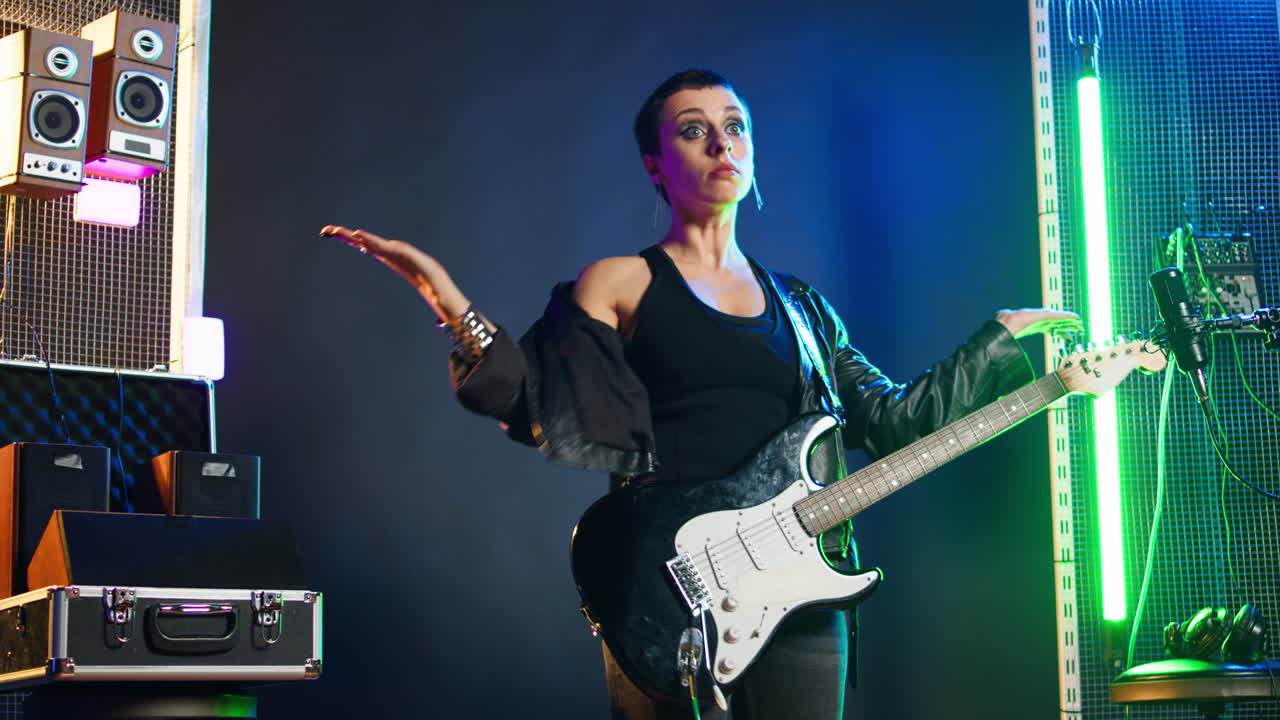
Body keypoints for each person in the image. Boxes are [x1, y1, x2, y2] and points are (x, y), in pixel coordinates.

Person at [321, 68, 1080, 720]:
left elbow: (890, 422)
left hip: (800, 594)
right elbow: (532, 399)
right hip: (669, 587)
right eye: (694, 130)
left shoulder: (806, 310)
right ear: (655, 163)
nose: (722, 143)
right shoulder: (621, 282)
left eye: (736, 126)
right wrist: (448, 299)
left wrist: (998, 340)